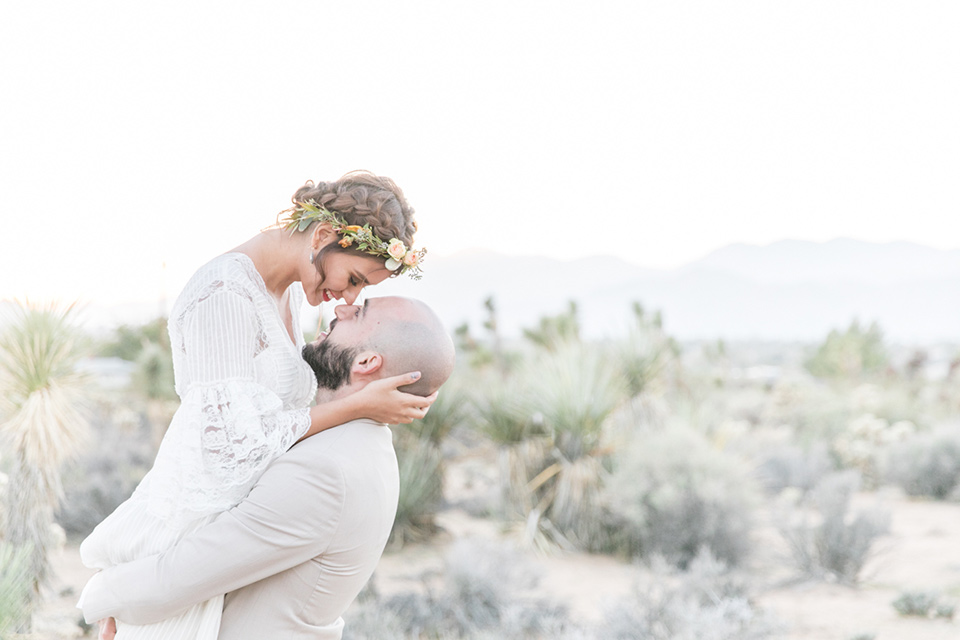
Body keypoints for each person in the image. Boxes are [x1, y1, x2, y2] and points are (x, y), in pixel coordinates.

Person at [78, 172, 434, 640]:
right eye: (352, 279)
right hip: (192, 529)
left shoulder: (286, 290)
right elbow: (229, 449)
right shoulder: (222, 295)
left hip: (231, 536)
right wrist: (354, 406)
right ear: (324, 236)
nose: (347, 298)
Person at [80, 296, 455, 640]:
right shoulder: (357, 443)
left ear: (367, 362)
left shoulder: (325, 470)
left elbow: (182, 575)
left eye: (359, 312)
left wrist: (101, 593)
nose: (342, 307)